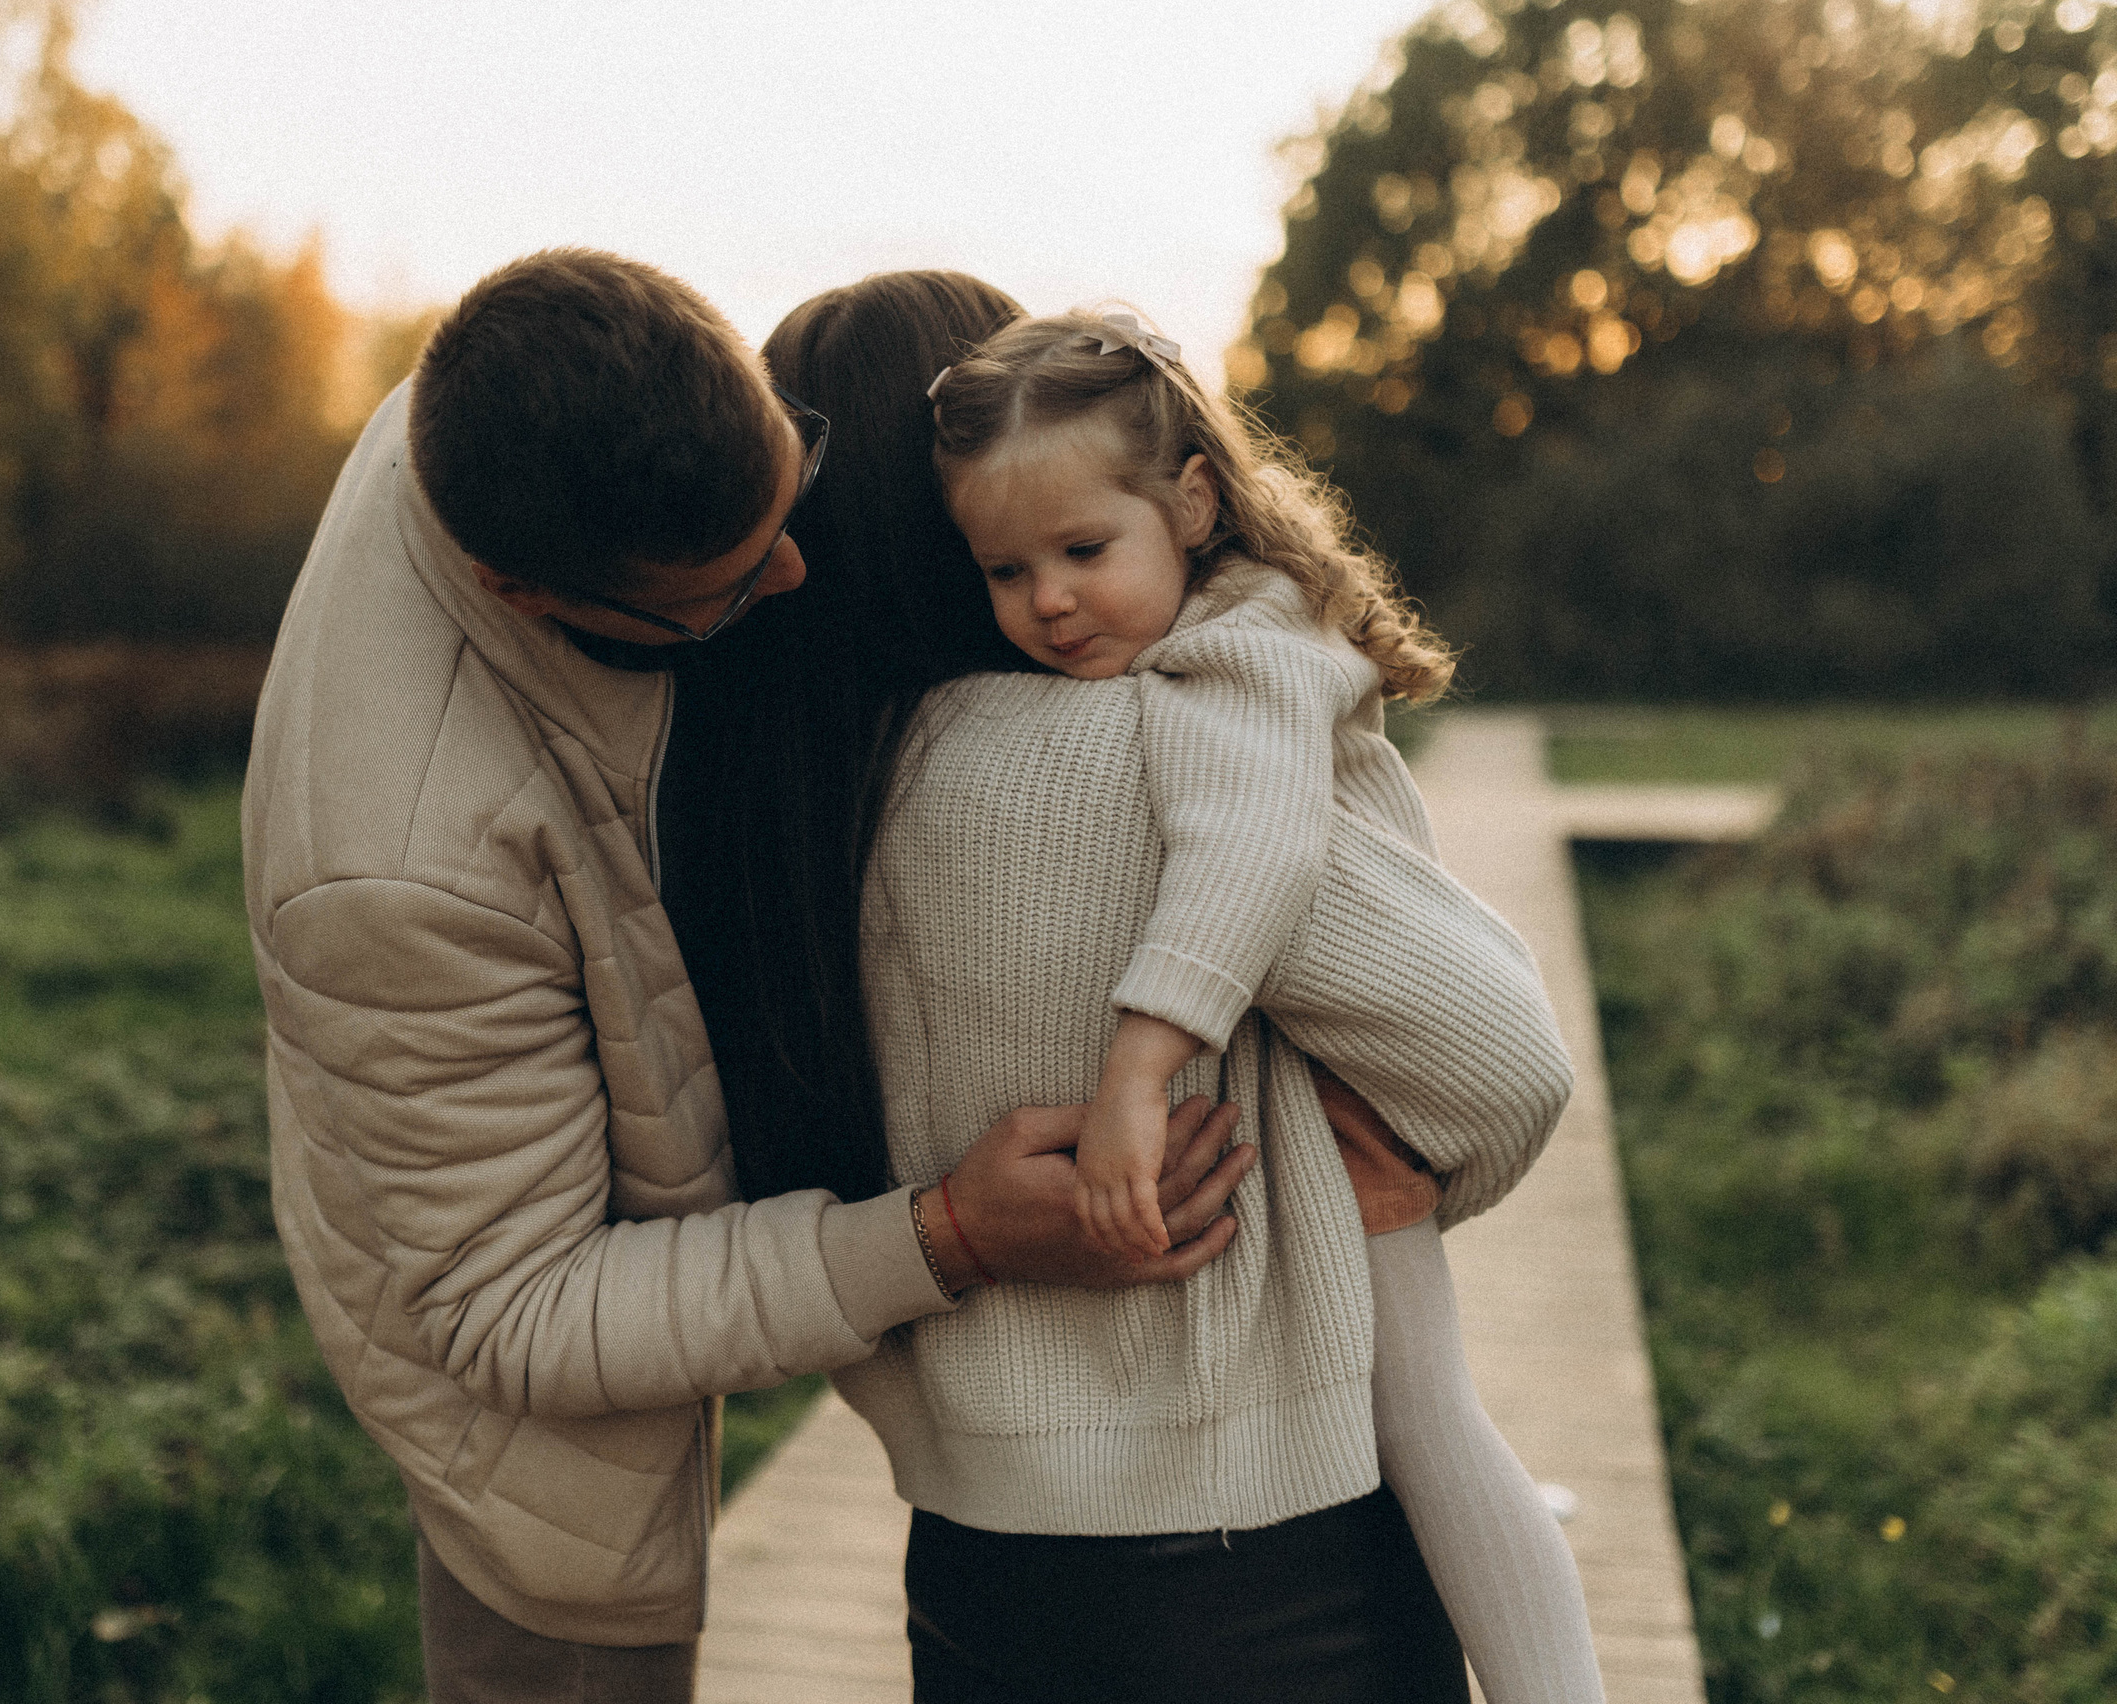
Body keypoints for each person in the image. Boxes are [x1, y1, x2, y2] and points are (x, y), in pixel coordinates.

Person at [240, 249, 1255, 1704]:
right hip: (523, 1430)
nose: (796, 572)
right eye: (726, 593)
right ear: (521, 591)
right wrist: (946, 1234)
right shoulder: (405, 875)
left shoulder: (504, 406)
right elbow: (506, 1310)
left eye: (800, 489)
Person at [694, 273, 1580, 1702]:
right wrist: (1408, 1193)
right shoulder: (1152, 754)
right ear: (950, 514)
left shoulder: (779, 809)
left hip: (976, 1572)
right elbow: (1500, 1062)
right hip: (1262, 1566)